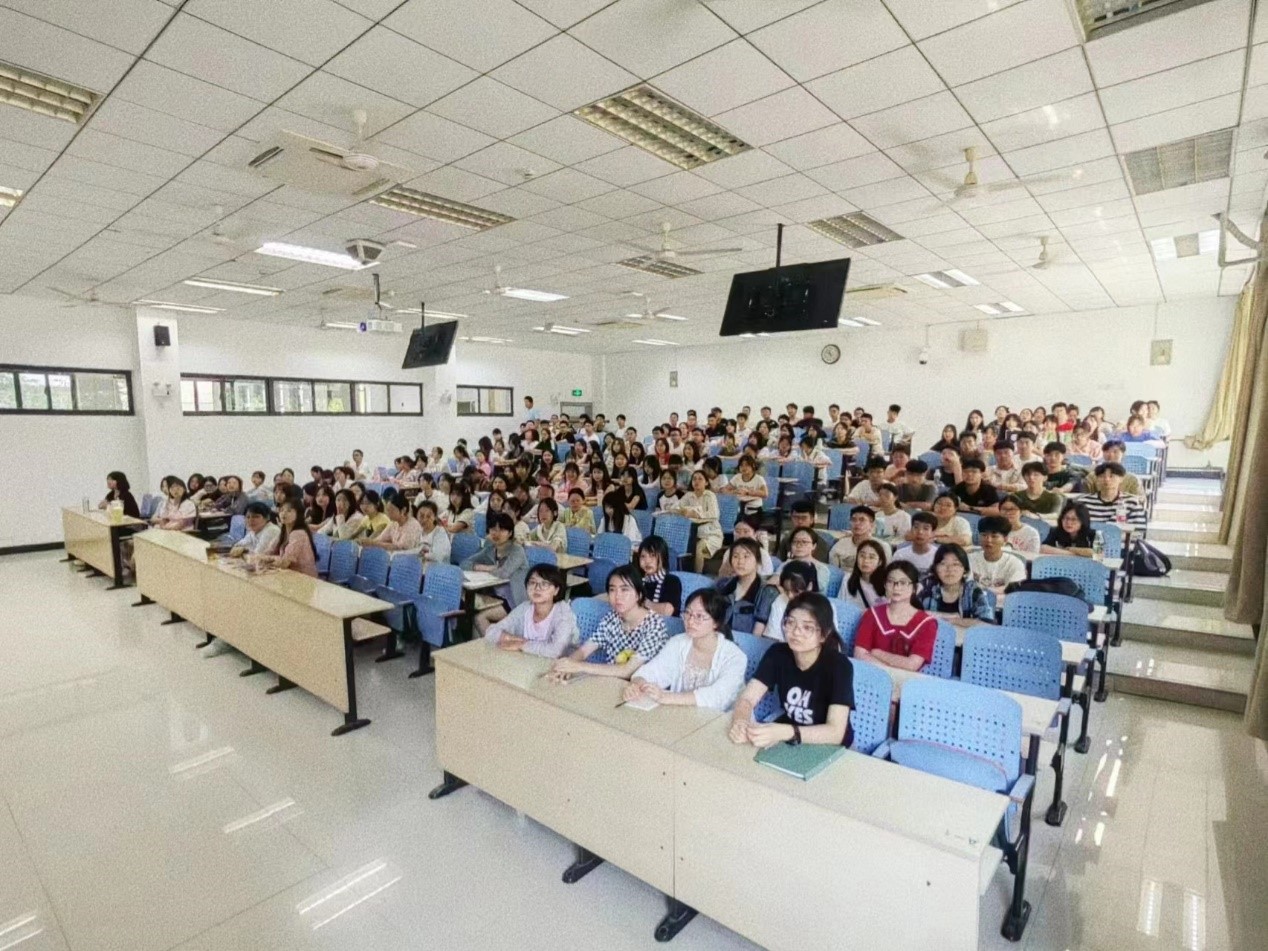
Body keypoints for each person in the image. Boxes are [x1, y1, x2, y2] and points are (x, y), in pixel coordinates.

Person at [729, 592, 853, 748]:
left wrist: (786, 732)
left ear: (824, 635)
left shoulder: (839, 666)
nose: (796, 632)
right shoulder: (777, 653)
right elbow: (747, 698)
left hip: (828, 744)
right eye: (790, 622)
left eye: (807, 627)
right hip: (790, 735)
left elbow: (835, 733)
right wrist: (740, 721)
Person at [623, 590, 746, 711]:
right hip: (683, 714)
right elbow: (652, 672)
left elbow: (718, 696)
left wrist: (666, 697)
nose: (690, 621)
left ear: (716, 623)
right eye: (688, 613)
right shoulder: (678, 643)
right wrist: (637, 685)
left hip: (722, 719)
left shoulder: (735, 657)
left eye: (699, 616)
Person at [549, 565, 669, 682]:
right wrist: (567, 665)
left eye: (624, 589)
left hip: (639, 688)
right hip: (610, 683)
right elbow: (584, 650)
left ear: (639, 594)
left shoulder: (654, 625)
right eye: (612, 590)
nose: (617, 596)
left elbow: (627, 671)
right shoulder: (612, 618)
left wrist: (579, 666)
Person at [854, 562, 939, 671]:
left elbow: (912, 665)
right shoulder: (872, 614)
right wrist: (887, 671)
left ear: (914, 588)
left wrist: (877, 653)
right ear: (885, 585)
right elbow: (859, 654)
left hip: (906, 679)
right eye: (891, 581)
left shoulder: (927, 623)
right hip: (871, 675)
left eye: (903, 582)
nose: (896, 587)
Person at [484, 564, 578, 658]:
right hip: (525, 661)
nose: (537, 588)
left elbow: (556, 651)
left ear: (556, 590)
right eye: (532, 582)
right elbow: (491, 632)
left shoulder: (563, 614)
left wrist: (522, 645)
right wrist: (512, 638)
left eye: (544, 584)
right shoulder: (525, 608)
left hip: (559, 664)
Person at [462, 511, 529, 633]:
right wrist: (486, 568)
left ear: (510, 533)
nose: (496, 533)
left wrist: (491, 569)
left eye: (501, 530)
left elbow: (503, 574)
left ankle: (492, 643)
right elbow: (464, 564)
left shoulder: (517, 551)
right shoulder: (490, 549)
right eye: (493, 529)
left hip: (514, 599)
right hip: (494, 595)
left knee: (479, 617)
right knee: (465, 606)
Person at [918, 544, 994, 626]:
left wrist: (954, 621)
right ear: (935, 568)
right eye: (943, 564)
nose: (949, 569)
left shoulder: (973, 591)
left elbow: (987, 624)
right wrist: (946, 617)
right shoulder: (926, 587)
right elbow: (909, 614)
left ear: (964, 569)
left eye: (955, 564)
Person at [754, 561, 818, 639]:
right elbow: (772, 637)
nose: (790, 596)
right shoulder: (780, 601)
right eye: (786, 591)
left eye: (796, 591)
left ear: (809, 586)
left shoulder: (822, 607)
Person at [674, 469, 723, 573]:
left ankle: (697, 576)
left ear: (706, 482)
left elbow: (714, 514)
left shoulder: (710, 495)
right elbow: (675, 507)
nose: (696, 481)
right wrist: (683, 511)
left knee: (699, 548)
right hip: (692, 533)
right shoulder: (689, 495)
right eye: (694, 479)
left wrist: (695, 514)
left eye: (700, 479)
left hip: (711, 533)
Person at [714, 537, 766, 632]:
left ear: (757, 561)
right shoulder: (722, 585)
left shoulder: (765, 592)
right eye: (735, 556)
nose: (740, 562)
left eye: (746, 556)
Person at [1076, 462, 1148, 528]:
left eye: (1111, 476)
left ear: (1121, 479)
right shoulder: (1083, 502)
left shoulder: (1132, 502)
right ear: (1097, 479)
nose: (1106, 479)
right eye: (1102, 476)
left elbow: (1138, 530)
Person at [969, 516, 1028, 594]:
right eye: (984, 535)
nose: (988, 540)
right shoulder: (969, 559)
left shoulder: (1015, 563)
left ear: (1005, 539)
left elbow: (1013, 590)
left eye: (994, 536)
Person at [260, 499, 318, 577]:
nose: (284, 513)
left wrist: (266, 559)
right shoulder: (284, 532)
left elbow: (284, 563)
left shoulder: (299, 533)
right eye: (281, 510)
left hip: (304, 578)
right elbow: (269, 551)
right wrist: (259, 557)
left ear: (299, 514)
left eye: (289, 511)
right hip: (288, 574)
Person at [828, 505, 891, 571]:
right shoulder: (839, 546)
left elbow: (886, 573)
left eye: (862, 520)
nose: (857, 523)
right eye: (853, 520)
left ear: (872, 525)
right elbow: (833, 573)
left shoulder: (883, 547)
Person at [634, 536, 682, 617]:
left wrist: (645, 602)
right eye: (643, 556)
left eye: (652, 555)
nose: (647, 561)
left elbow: (668, 611)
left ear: (663, 558)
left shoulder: (672, 581)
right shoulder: (638, 580)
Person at [842, 538, 887, 610]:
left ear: (880, 562)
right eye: (862, 556)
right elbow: (840, 606)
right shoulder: (847, 579)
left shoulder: (887, 583)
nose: (866, 560)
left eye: (871, 557)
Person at [891, 511, 939, 577]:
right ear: (911, 529)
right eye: (916, 527)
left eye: (926, 528)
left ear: (933, 533)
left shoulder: (938, 555)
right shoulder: (900, 555)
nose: (920, 532)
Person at [785, 526, 831, 592]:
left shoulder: (821, 569)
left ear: (814, 546)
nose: (799, 545)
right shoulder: (786, 564)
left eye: (804, 542)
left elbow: (815, 590)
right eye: (795, 541)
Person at [414, 500, 451, 566]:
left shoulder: (440, 532)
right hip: (420, 567)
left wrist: (421, 554)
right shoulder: (417, 531)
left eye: (428, 516)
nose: (424, 519)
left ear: (435, 517)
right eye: (421, 516)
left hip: (438, 569)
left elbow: (438, 556)